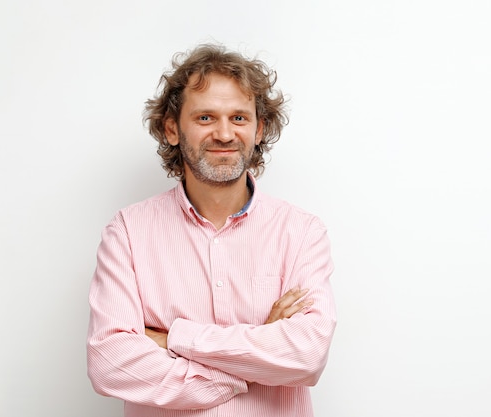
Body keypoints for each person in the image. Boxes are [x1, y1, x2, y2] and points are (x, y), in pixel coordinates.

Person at [86, 43, 337, 417]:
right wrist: (250, 364)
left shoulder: (301, 233)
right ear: (172, 129)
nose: (224, 134)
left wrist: (175, 339)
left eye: (239, 118)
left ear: (259, 128)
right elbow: (110, 364)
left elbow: (307, 355)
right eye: (205, 118)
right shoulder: (127, 233)